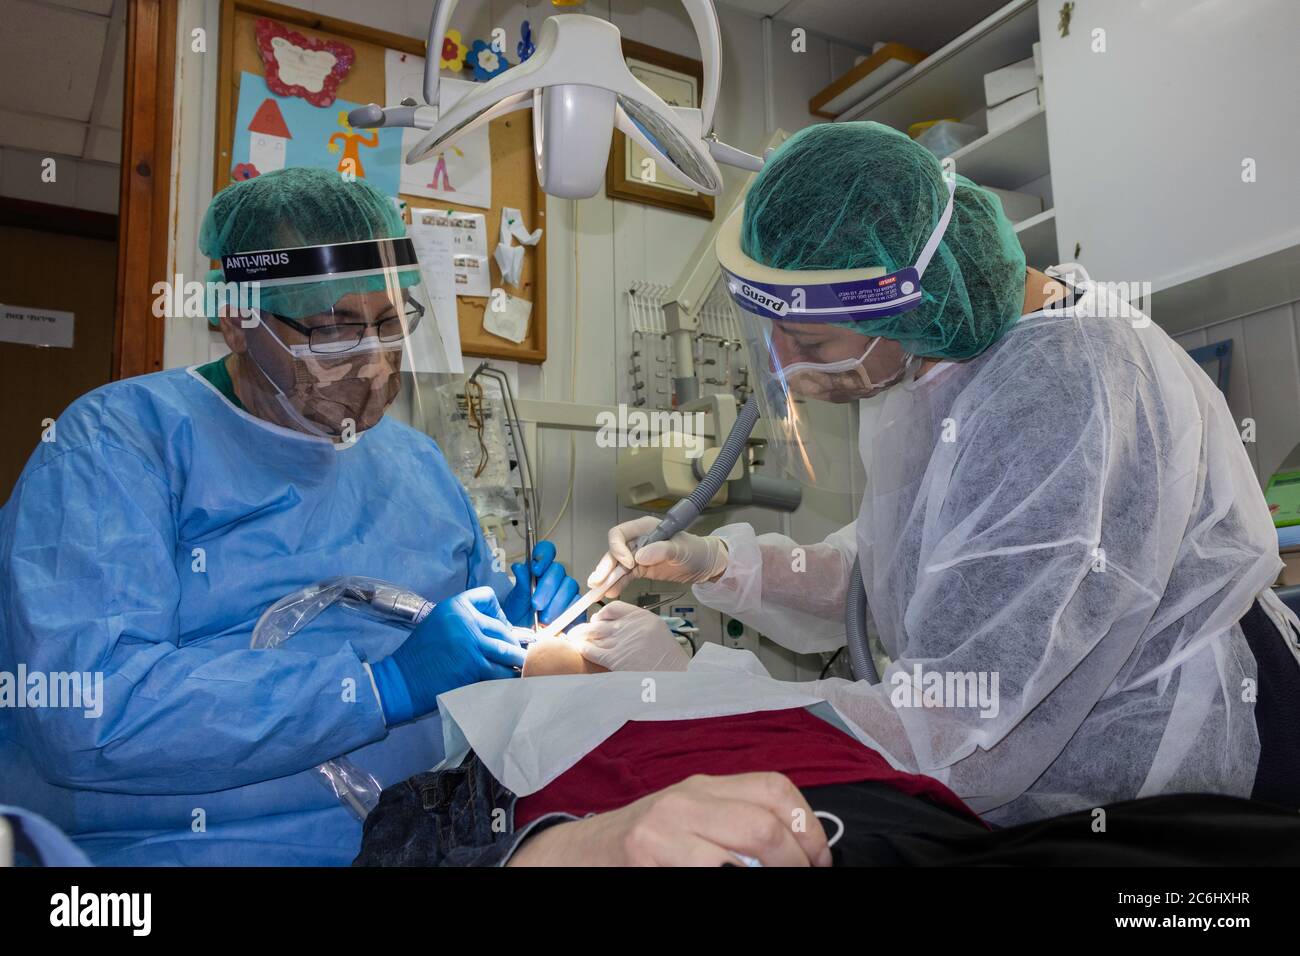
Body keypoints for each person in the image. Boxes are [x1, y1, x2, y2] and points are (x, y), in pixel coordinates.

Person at [587, 122, 1300, 825]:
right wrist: (717, 564)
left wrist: (692, 691)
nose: (791, 374)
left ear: (909, 302)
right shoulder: (934, 366)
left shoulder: (1060, 392)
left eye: (807, 340)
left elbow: (960, 720)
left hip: (1180, 775)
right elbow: (895, 573)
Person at [0, 167, 579, 865]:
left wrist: (521, 621)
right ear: (238, 320)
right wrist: (375, 688)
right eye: (334, 330)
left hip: (426, 840)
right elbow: (89, 711)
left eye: (392, 324)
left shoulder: (416, 466)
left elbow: (469, 647)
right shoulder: (118, 444)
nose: (372, 368)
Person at [353, 605, 1300, 866]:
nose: (564, 631)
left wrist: (683, 651)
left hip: (909, 819)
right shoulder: (488, 760)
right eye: (541, 633)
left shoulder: (736, 682)